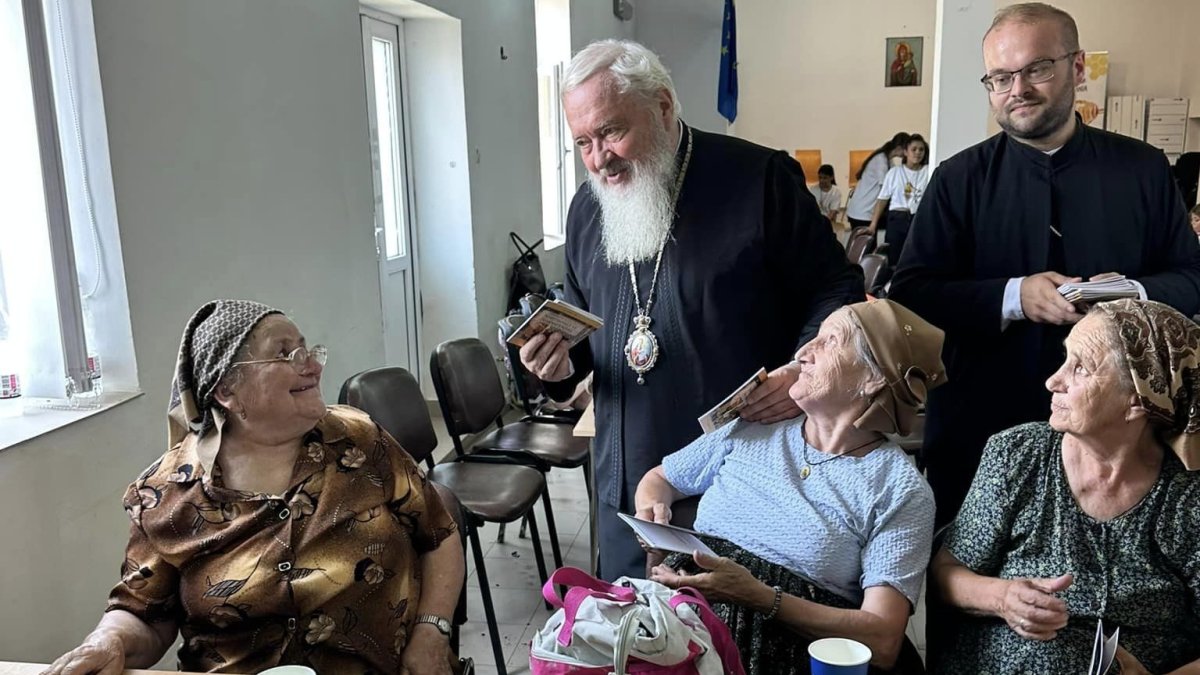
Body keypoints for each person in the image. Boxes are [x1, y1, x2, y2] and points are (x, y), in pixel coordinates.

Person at [517, 39, 864, 580]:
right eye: (583, 142)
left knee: (733, 628)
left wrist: (802, 368)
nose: (599, 158)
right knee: (633, 627)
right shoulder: (587, 209)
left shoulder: (759, 180)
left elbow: (836, 286)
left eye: (611, 131)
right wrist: (556, 368)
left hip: (745, 478)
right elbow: (584, 333)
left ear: (661, 106)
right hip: (627, 485)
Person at [889, 2, 1200, 527]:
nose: (1018, 89)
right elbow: (912, 291)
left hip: (1121, 434)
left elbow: (1191, 279)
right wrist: (1014, 296)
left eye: (1036, 69)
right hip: (981, 419)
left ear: (1077, 68)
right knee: (963, 567)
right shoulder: (957, 179)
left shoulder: (1142, 169)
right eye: (1000, 77)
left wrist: (1129, 296)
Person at [43, 300, 464, 675]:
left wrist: (432, 631)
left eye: (308, 350)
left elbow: (439, 533)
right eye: (286, 354)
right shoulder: (166, 492)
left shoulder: (358, 441)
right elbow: (143, 614)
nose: (313, 366)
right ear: (227, 390)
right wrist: (109, 641)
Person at [635, 300, 942, 674]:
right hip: (681, 631)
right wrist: (653, 510)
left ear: (874, 377)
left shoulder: (900, 489)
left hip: (787, 656)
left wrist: (759, 597)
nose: (802, 353)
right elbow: (661, 479)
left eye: (830, 341)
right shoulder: (753, 427)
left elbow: (882, 638)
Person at [930, 300, 1200, 674]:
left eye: (1080, 368)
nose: (1053, 381)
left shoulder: (1187, 495)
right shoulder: (1019, 455)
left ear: (1138, 402)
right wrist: (1004, 598)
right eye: (1064, 359)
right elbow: (946, 573)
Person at [868, 135, 930, 267]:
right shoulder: (894, 172)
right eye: (914, 149)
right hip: (897, 218)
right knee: (894, 257)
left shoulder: (927, 171)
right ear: (906, 152)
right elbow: (882, 200)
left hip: (918, 218)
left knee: (916, 257)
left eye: (921, 149)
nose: (918, 153)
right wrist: (873, 224)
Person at [846, 133, 911, 231]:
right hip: (862, 212)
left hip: (867, 211)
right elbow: (886, 189)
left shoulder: (888, 160)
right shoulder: (881, 160)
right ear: (899, 148)